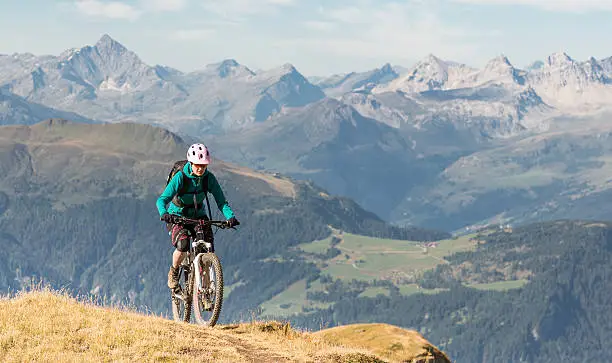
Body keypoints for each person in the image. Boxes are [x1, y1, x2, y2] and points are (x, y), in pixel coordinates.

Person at [156, 143, 239, 290]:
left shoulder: (209, 178)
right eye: (197, 165)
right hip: (177, 216)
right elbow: (161, 200)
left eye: (203, 165)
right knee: (182, 245)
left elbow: (221, 201)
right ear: (191, 162)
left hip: (199, 217)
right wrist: (164, 213)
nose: (200, 168)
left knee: (207, 248)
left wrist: (230, 217)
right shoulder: (180, 177)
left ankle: (205, 288)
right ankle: (174, 273)